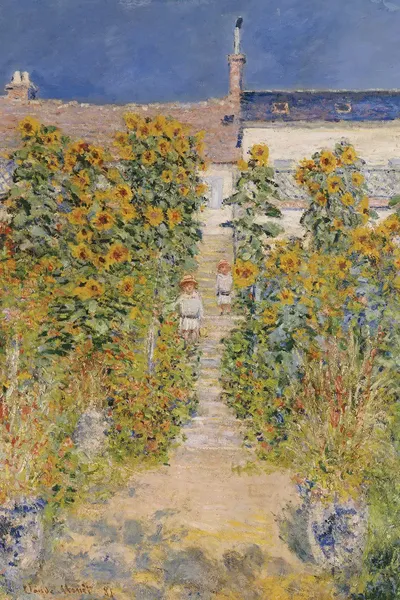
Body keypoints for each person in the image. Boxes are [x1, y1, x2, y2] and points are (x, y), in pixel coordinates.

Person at [177, 274, 204, 343]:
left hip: (194, 319)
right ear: (183, 287)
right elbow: (180, 310)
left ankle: (194, 344)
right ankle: (186, 345)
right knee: (186, 333)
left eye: (191, 285)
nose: (189, 287)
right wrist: (180, 321)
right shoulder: (182, 298)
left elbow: (200, 308)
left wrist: (201, 318)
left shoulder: (197, 297)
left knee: (194, 333)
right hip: (186, 319)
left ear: (194, 286)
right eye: (186, 285)